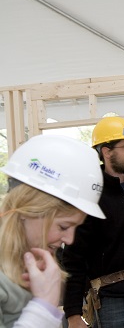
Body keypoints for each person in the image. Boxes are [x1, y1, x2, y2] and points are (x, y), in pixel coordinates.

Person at [0, 135, 105, 328]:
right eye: (63, 226)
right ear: (29, 208)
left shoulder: (27, 265)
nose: (70, 239)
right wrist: (43, 308)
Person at [62, 117, 124, 328]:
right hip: (111, 298)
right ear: (106, 151)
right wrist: (73, 314)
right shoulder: (89, 192)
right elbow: (73, 257)